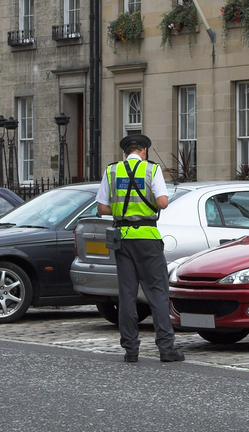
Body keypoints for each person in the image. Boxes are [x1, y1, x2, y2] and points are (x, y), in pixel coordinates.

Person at [96, 134, 185, 363]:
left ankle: (130, 350)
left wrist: (121, 211)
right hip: (147, 238)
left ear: (125, 152)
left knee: (126, 295)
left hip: (122, 238)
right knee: (157, 293)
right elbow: (163, 203)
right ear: (144, 151)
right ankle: (166, 349)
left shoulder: (112, 171)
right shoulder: (151, 170)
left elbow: (102, 208)